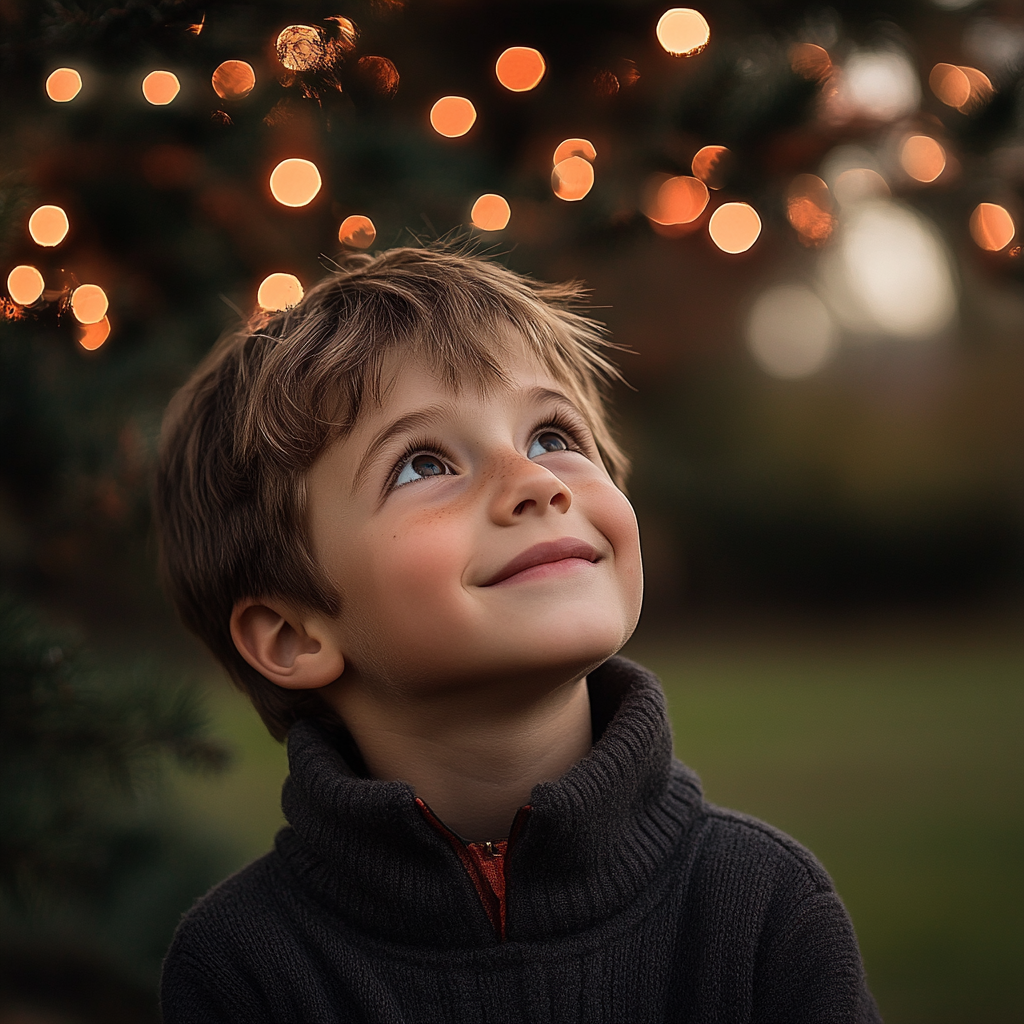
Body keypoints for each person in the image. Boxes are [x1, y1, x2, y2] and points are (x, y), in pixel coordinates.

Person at [156, 246, 881, 1023]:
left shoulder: (762, 908)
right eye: (423, 463)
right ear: (293, 634)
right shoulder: (243, 970)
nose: (535, 483)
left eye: (552, 437)